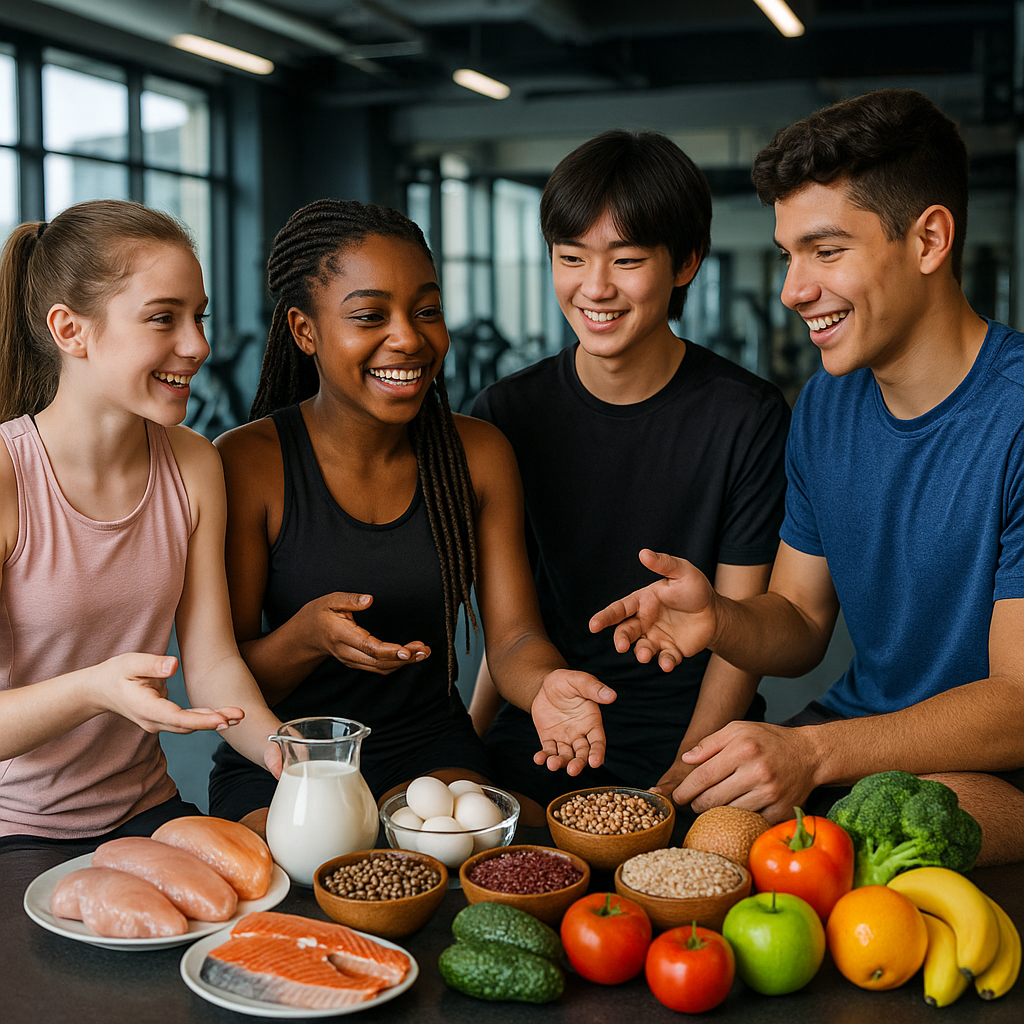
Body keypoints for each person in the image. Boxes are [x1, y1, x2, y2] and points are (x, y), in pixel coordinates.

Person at [590, 89, 1024, 865]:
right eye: (789, 254)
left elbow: (1019, 704)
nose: (792, 290)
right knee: (711, 839)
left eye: (825, 251)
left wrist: (815, 754)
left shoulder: (1015, 414)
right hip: (859, 734)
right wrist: (722, 618)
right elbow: (798, 619)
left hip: (998, 765)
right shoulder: (827, 405)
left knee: (860, 850)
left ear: (929, 240)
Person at [207, 198, 616, 829]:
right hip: (284, 754)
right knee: (294, 874)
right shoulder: (247, 462)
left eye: (427, 311)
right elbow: (225, 676)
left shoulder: (478, 454)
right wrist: (307, 637)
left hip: (427, 745)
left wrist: (545, 685)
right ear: (304, 330)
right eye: (370, 315)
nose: (409, 338)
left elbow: (514, 639)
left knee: (487, 847)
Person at [467, 129, 791, 810]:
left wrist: (680, 780)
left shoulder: (747, 416)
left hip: (693, 734)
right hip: (546, 722)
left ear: (685, 262)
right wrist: (471, 742)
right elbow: (511, 625)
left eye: (627, 259)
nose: (595, 287)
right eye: (570, 257)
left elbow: (738, 637)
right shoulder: (505, 412)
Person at [0, 200, 281, 854]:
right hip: (17, 827)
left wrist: (283, 753)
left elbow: (213, 662)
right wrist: (95, 689)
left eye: (198, 316)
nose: (198, 346)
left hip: (147, 806)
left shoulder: (194, 463)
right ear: (70, 330)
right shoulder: (8, 477)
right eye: (163, 318)